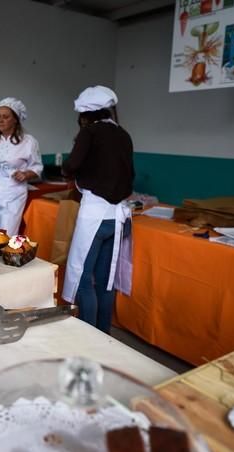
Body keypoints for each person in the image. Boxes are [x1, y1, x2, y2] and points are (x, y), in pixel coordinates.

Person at [61, 86, 134, 334]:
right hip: (118, 218)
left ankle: (88, 336)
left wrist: (69, 170)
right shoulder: (123, 135)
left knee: (83, 279)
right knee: (105, 281)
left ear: (85, 114)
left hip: (95, 215)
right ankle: (104, 335)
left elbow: (72, 165)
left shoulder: (89, 133)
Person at [0, 97, 43, 235]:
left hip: (13, 193)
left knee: (7, 233)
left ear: (16, 120)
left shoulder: (28, 142)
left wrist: (25, 174)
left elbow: (37, 167)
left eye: (5, 117)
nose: (1, 120)